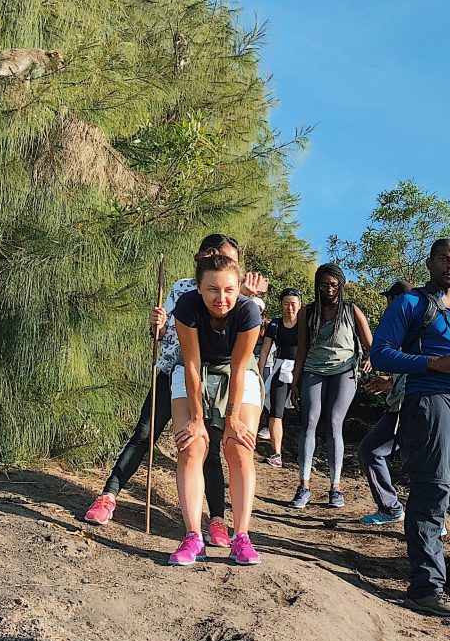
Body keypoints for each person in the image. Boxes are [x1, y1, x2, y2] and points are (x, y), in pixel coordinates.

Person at [83, 233, 267, 541]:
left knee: (207, 446)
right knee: (145, 433)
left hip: (215, 379)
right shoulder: (184, 289)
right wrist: (157, 325)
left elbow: (243, 339)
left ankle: (217, 519)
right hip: (173, 370)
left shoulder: (237, 296)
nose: (221, 261)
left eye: (230, 260)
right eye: (215, 256)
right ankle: (109, 494)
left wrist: (245, 296)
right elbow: (168, 332)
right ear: (202, 258)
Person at [370, 239, 450, 617]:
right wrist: (434, 364)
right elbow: (381, 352)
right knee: (434, 486)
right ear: (429, 262)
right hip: (429, 401)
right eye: (444, 258)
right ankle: (425, 587)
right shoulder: (409, 303)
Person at [166, 252, 266, 566]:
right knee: (191, 447)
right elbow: (192, 365)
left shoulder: (249, 313)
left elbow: (238, 369)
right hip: (195, 370)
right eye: (212, 289)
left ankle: (242, 537)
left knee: (238, 448)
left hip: (237, 373)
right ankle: (193, 536)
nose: (221, 298)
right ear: (198, 288)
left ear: (239, 289)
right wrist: (197, 419)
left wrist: (234, 417)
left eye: (228, 290)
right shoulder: (187, 308)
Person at [289, 263, 373, 509]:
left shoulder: (351, 310)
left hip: (344, 371)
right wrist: (295, 382)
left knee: (335, 422)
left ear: (341, 285)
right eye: (323, 284)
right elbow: (301, 350)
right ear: (317, 285)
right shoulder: (307, 312)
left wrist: (371, 359)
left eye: (333, 285)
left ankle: (335, 487)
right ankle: (303, 485)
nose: (328, 289)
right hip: (313, 370)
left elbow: (372, 345)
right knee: (310, 420)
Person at [356, 280, 415, 525]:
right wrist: (389, 381)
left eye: (391, 299)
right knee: (370, 450)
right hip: (398, 407)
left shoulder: (418, 326)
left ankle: (434, 521)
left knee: (421, 466)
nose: (388, 303)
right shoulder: (401, 327)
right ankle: (391, 508)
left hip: (413, 408)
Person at [257, 287, 302, 467]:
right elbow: (265, 350)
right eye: (286, 304)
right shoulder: (275, 324)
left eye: (293, 304)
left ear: (300, 305)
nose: (289, 308)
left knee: (306, 413)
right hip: (281, 368)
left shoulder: (306, 323)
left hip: (302, 368)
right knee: (276, 412)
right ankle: (276, 454)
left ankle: (304, 455)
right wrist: (260, 372)